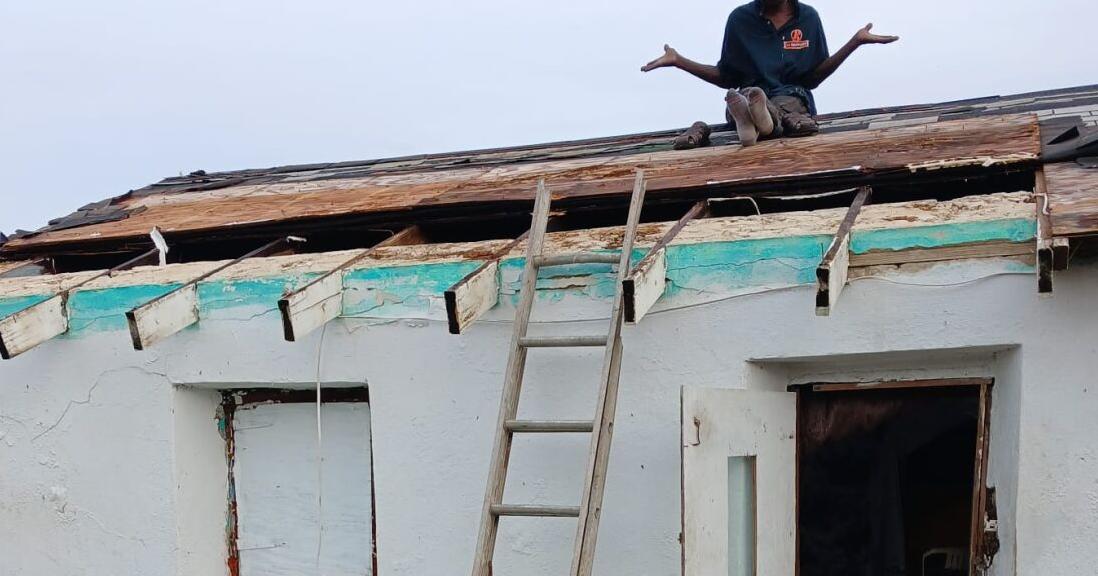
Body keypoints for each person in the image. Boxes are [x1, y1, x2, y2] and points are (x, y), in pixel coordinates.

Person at [642, 0, 898, 148]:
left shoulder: (807, 18)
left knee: (783, 105)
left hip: (792, 98)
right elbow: (726, 77)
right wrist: (680, 61)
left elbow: (813, 79)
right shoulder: (739, 19)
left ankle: (754, 121)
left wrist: (854, 42)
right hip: (746, 93)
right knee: (747, 98)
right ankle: (753, 116)